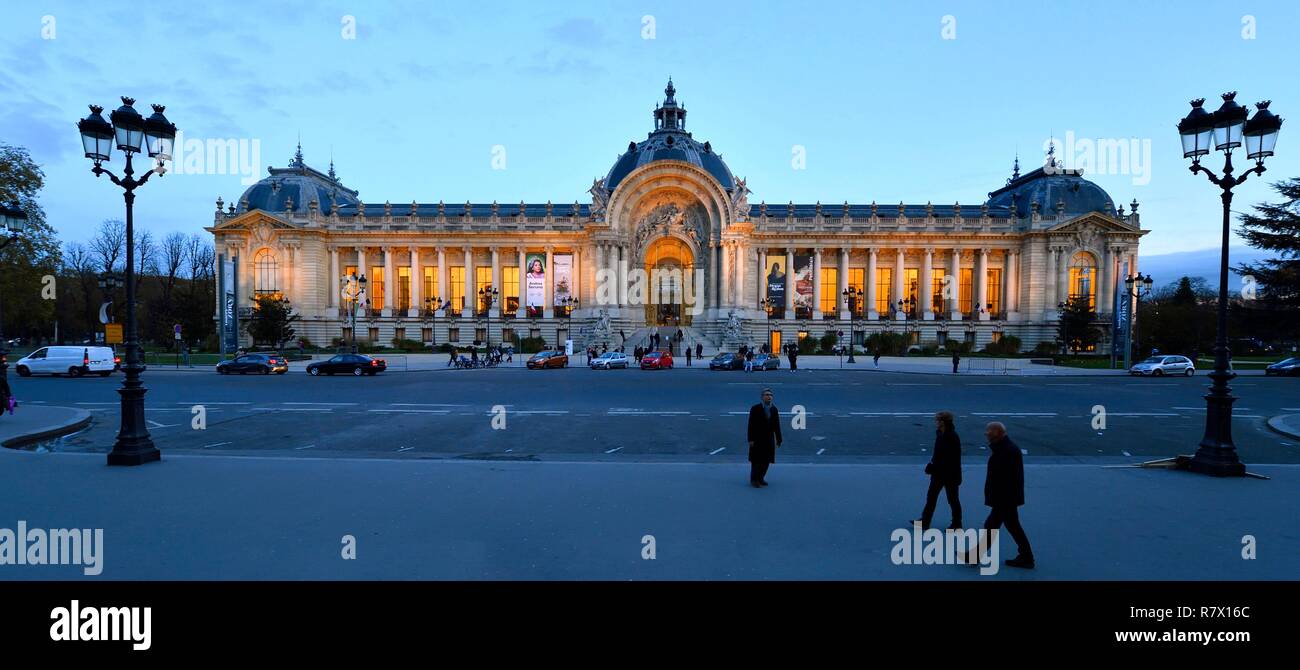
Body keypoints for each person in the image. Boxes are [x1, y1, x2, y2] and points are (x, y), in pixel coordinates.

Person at [977, 422, 1035, 569]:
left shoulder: (1006, 451)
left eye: (988, 432)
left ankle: (975, 556)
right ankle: (1026, 556)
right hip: (1007, 498)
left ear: (997, 433)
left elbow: (1004, 479)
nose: (986, 434)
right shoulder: (1007, 449)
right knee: (1012, 526)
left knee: (991, 526)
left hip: (1004, 499)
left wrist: (995, 498)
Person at [913, 411, 962, 530]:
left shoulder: (950, 437)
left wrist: (933, 466)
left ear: (942, 422)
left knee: (951, 499)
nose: (935, 422)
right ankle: (926, 521)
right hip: (941, 473)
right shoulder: (942, 434)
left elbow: (949, 459)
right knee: (934, 497)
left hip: (948, 474)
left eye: (937, 420)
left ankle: (955, 523)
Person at [746, 388, 782, 487]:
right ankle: (754, 480)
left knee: (766, 461)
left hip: (769, 439)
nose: (768, 396)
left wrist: (779, 439)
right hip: (757, 438)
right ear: (762, 397)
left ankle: (761, 478)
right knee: (756, 460)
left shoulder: (774, 409)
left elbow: (777, 425)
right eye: (766, 395)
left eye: (770, 395)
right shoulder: (755, 408)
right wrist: (750, 439)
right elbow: (751, 424)